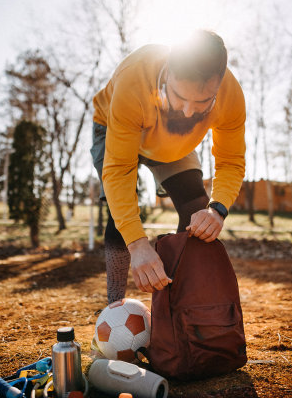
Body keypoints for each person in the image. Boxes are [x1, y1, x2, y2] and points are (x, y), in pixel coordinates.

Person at [91, 30, 246, 303]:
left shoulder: (230, 96)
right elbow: (119, 172)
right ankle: (113, 307)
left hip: (173, 141)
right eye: (179, 97)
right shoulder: (134, 80)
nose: (188, 111)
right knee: (121, 214)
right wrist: (138, 244)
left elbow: (231, 161)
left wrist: (217, 209)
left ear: (218, 86)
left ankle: (178, 306)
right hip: (114, 127)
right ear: (167, 74)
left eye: (201, 103)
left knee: (196, 206)